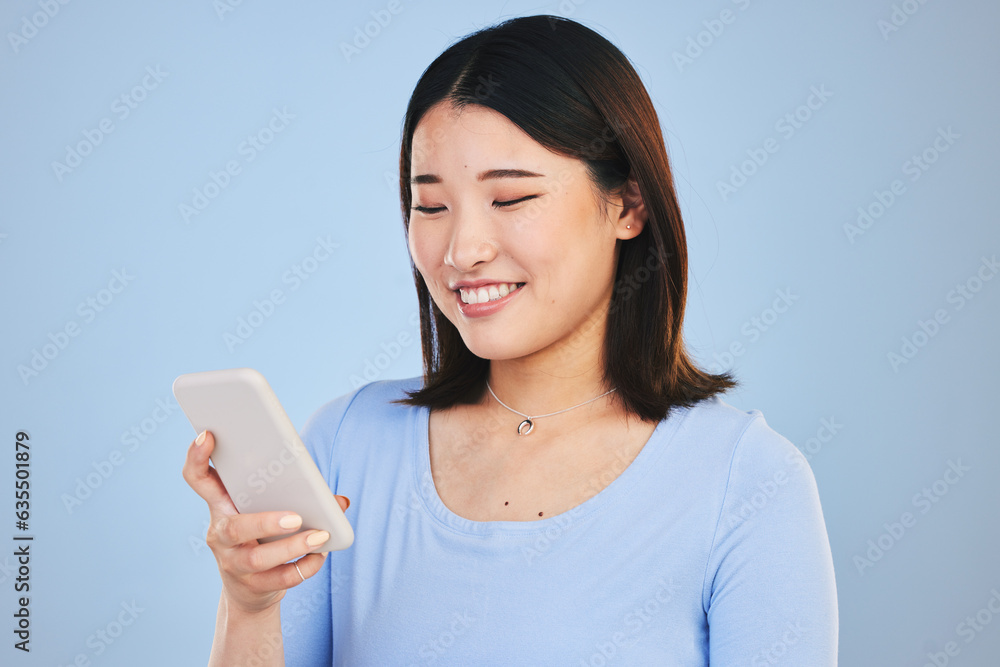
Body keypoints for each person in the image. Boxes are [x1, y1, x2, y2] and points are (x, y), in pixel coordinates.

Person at [182, 14, 838, 666]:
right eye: (431, 206)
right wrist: (248, 604)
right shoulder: (344, 446)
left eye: (512, 198)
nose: (463, 249)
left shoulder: (748, 483)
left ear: (629, 206)